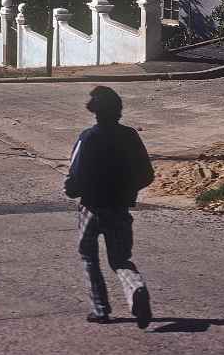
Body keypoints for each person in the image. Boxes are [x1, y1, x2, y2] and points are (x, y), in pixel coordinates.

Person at [64, 86, 155, 328]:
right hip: (120, 207)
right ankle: (135, 288)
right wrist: (127, 190)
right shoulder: (130, 136)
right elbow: (147, 174)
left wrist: (73, 190)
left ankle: (100, 308)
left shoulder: (87, 137)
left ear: (94, 111)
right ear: (119, 110)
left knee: (89, 257)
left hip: (91, 208)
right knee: (120, 259)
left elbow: (74, 174)